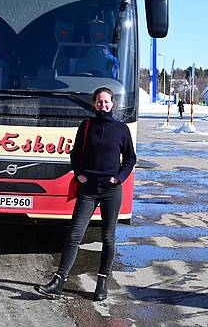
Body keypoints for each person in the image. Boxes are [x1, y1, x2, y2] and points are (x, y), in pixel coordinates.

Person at [34, 87, 136, 301]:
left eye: (107, 101)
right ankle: (58, 281)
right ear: (93, 103)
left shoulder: (121, 129)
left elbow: (130, 158)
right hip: (88, 189)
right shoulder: (86, 126)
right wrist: (79, 174)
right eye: (99, 101)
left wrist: (118, 178)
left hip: (111, 190)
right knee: (74, 235)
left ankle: (101, 284)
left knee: (108, 237)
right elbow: (74, 154)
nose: (103, 105)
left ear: (113, 103)